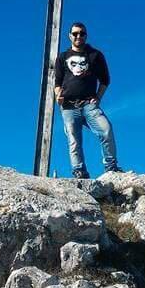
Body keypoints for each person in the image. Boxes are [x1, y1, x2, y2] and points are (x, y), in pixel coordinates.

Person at [54, 22, 122, 179]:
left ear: (86, 35)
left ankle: (111, 167)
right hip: (69, 106)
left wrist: (97, 98)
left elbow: (105, 80)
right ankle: (79, 171)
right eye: (75, 33)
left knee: (106, 130)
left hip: (88, 104)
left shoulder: (95, 55)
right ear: (69, 36)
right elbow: (57, 82)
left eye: (82, 33)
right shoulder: (62, 57)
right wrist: (58, 95)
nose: (78, 36)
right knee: (74, 140)